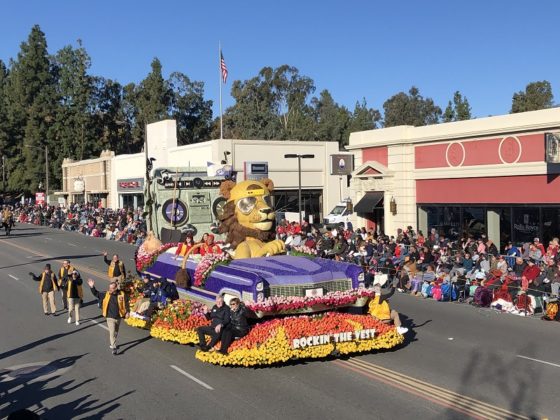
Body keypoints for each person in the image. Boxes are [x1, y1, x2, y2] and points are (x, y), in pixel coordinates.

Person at [87, 278, 130, 355]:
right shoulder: (106, 294)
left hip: (118, 317)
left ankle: (112, 343)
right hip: (110, 317)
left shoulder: (122, 294)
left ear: (116, 288)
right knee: (112, 332)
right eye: (109, 288)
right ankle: (114, 347)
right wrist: (92, 287)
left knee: (116, 332)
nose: (110, 289)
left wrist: (127, 312)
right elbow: (96, 294)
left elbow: (126, 303)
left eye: (112, 288)